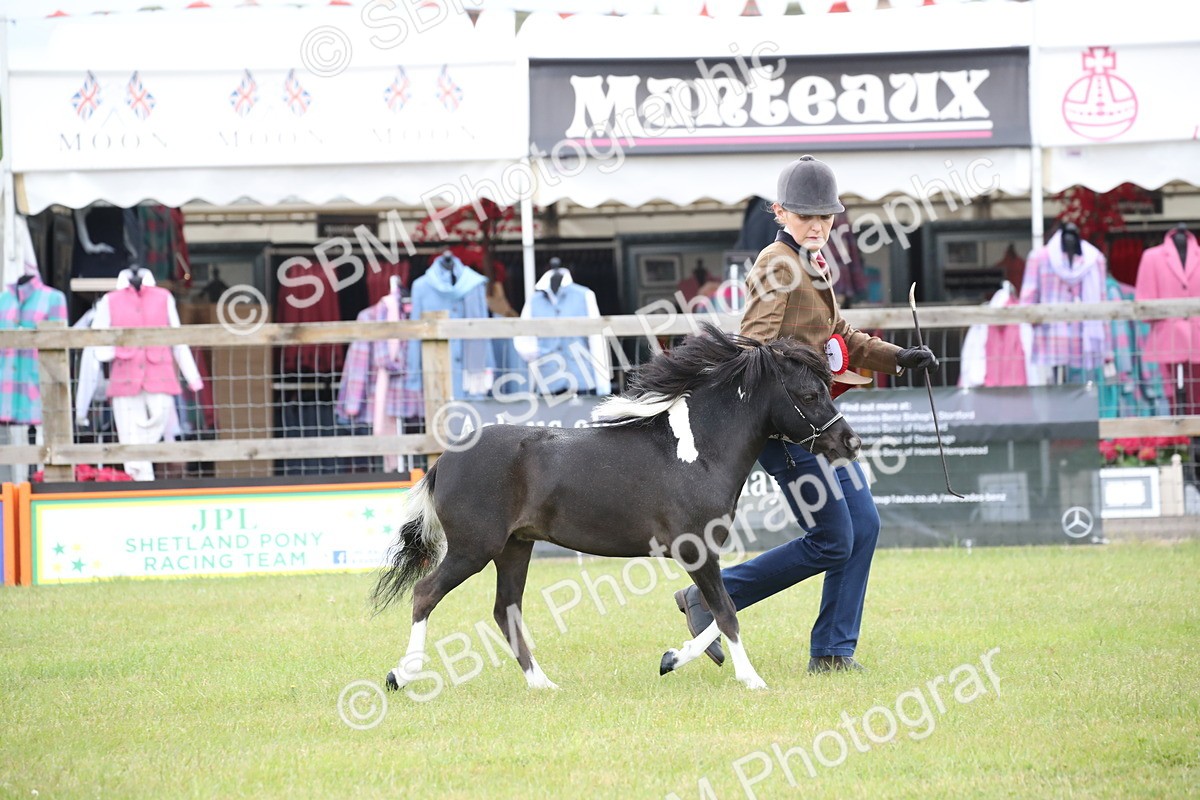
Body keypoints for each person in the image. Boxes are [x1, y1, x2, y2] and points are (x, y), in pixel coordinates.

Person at [672, 155, 940, 673]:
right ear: (780, 212)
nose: (817, 224)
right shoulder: (778, 261)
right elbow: (754, 345)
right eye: (805, 215)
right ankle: (709, 597)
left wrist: (897, 357)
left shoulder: (812, 261)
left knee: (863, 526)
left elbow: (838, 335)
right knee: (834, 537)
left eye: (825, 216)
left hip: (819, 421)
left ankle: (834, 652)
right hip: (790, 428)